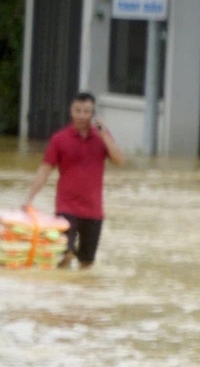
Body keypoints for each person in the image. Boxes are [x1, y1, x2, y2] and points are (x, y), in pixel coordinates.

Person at [23, 91, 125, 269]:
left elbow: (119, 161)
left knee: (86, 263)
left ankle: (80, 295)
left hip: (94, 211)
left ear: (93, 114)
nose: (81, 115)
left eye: (86, 111)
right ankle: (62, 294)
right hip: (66, 208)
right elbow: (44, 170)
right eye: (77, 110)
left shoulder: (102, 139)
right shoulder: (59, 140)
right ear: (71, 111)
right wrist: (29, 198)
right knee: (65, 255)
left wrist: (105, 135)